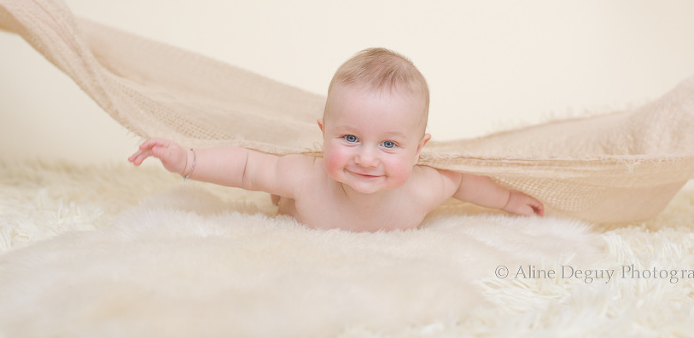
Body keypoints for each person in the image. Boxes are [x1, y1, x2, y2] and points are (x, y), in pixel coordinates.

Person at [128, 48, 544, 231]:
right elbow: (247, 167)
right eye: (349, 137)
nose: (366, 158)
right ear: (323, 135)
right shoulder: (306, 178)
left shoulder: (425, 187)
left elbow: (465, 180)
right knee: (274, 185)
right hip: (296, 198)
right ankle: (281, 200)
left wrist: (508, 201)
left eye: (389, 145)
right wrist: (187, 161)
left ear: (420, 150)